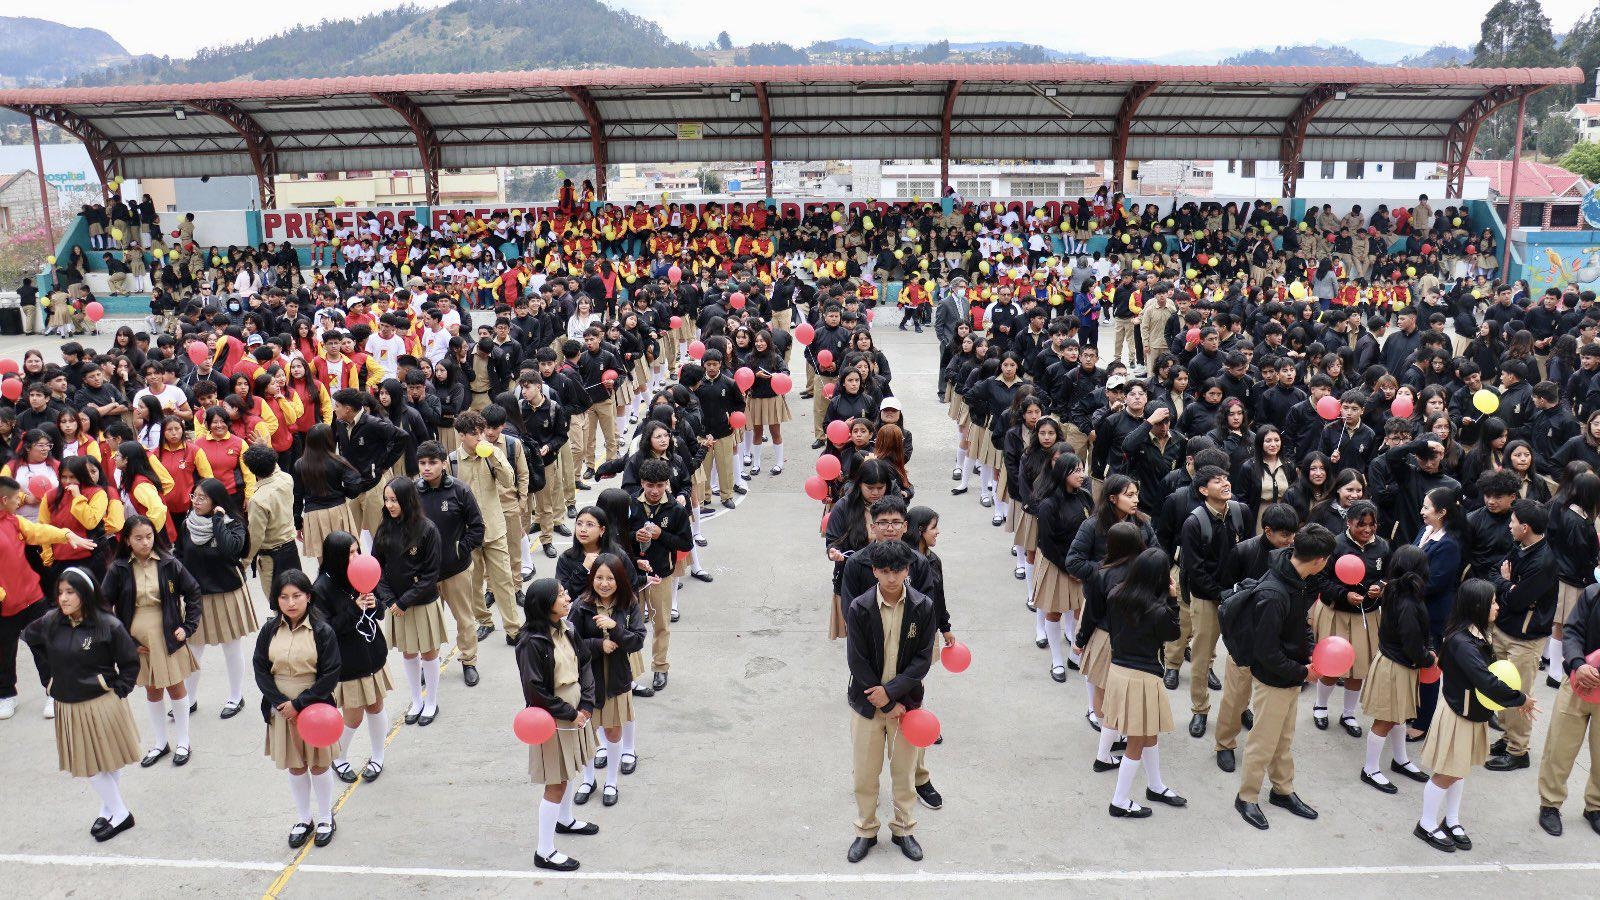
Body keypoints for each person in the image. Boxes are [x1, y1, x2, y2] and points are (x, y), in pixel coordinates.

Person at [1414, 579, 1536, 852]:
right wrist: (1520, 699)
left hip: (1472, 712)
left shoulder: (1479, 633)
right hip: (1459, 714)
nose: (1497, 606)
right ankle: (1426, 823)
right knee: (1447, 772)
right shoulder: (1462, 642)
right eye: (1493, 602)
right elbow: (1486, 681)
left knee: (1460, 769)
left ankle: (1452, 819)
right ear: (1478, 606)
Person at [20, 567, 142, 841]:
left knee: (104, 761)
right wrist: (50, 679)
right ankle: (111, 808)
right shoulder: (50, 621)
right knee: (91, 763)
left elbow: (130, 662)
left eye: (70, 592)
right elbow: (29, 637)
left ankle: (119, 813)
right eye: (60, 592)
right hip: (68, 703)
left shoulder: (107, 625)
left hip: (100, 703)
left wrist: (118, 689)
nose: (63, 598)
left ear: (85, 594)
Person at [1234, 524, 1336, 831]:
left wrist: (1309, 650)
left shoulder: (1297, 579)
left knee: (1283, 739)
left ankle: (1282, 790)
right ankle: (1247, 796)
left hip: (1290, 674)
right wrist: (1305, 672)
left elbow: (1299, 621)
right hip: (1274, 678)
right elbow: (1266, 651)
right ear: (1319, 560)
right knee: (1262, 741)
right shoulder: (1275, 592)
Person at [844, 539, 936, 864]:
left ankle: (903, 829)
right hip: (868, 706)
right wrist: (883, 701)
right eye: (884, 571)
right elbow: (857, 661)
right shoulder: (859, 607)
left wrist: (894, 694)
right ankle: (866, 830)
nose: (892, 578)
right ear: (874, 571)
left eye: (898, 570)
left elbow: (922, 660)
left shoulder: (923, 607)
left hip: (905, 708)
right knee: (865, 775)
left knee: (904, 773)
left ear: (908, 569)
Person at [252, 568, 342, 849]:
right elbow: (260, 667)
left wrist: (299, 704)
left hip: (315, 710)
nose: (291, 603)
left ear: (308, 597)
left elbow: (330, 673)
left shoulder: (322, 630)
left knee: (318, 763)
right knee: (295, 765)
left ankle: (326, 817)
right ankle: (304, 819)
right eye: (284, 597)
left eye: (296, 596)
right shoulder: (269, 629)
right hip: (281, 710)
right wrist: (280, 703)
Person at [103, 516, 202, 768]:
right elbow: (103, 605)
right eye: (138, 538)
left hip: (167, 634)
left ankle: (183, 741)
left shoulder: (169, 563)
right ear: (127, 540)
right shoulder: (119, 568)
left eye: (148, 536)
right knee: (152, 688)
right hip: (137, 640)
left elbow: (193, 592)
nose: (145, 542)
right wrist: (124, 640)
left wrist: (187, 627)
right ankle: (160, 742)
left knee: (176, 686)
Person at [516, 579, 600, 872]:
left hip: (576, 709)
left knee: (569, 768)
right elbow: (535, 690)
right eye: (560, 595)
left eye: (565, 592)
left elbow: (585, 665)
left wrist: (587, 704)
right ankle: (545, 851)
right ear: (544, 605)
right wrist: (569, 712)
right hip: (552, 718)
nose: (567, 598)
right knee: (556, 781)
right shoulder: (531, 642)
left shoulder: (568, 629)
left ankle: (565, 820)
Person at [0, 475, 98, 721]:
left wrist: (65, 535)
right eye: (16, 498)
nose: (20, 501)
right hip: (4, 605)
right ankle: (5, 695)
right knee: (3, 650)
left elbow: (39, 532)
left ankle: (53, 690)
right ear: (4, 500)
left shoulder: (14, 521)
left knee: (45, 644)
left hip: (31, 597)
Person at [1103, 546, 1185, 818]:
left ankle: (1155, 785)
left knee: (1149, 733)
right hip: (1143, 677)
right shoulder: (1159, 609)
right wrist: (1173, 600)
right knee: (1136, 742)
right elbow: (1174, 634)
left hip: (1118, 669)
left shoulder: (1115, 594)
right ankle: (1120, 801)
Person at [1484, 499, 1558, 772]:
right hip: (1505, 629)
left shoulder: (1543, 562)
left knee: (1518, 695)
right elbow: (1495, 572)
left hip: (1524, 639)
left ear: (1525, 527)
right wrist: (1508, 584)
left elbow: (1516, 600)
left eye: (1513, 521)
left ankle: (1518, 750)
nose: (1510, 525)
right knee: (1502, 689)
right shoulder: (1521, 547)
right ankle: (1507, 737)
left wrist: (1506, 584)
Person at [312, 531, 391, 784]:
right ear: (335, 557)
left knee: (376, 706)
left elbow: (379, 612)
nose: (357, 557)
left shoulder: (362, 573)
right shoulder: (321, 588)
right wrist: (353, 609)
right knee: (353, 716)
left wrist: (373, 604)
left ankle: (378, 757)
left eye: (358, 550)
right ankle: (338, 756)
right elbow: (326, 632)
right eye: (351, 553)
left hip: (372, 654)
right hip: (348, 663)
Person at [1177, 465, 1250, 738]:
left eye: (1226, 479)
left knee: (1243, 655)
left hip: (1238, 594)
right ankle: (1199, 709)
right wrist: (1220, 594)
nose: (1225, 483)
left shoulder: (1241, 512)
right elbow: (1194, 570)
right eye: (1216, 481)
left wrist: (1243, 590)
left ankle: (1241, 707)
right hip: (1207, 597)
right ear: (1203, 490)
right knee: (1202, 655)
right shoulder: (1194, 523)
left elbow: (1249, 552)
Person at [568, 553, 645, 807]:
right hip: (588, 681)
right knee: (588, 730)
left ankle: (611, 781)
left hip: (617, 678)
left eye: (610, 578)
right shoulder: (581, 605)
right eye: (599, 577)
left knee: (613, 730)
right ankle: (588, 779)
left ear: (619, 580)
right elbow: (571, 644)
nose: (603, 583)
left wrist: (615, 627)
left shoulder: (629, 603)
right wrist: (599, 644)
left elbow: (637, 640)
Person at [1358, 544, 1434, 793]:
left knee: (1398, 716)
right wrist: (1427, 658)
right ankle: (1370, 769)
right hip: (1396, 666)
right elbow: (1412, 642)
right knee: (1385, 720)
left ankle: (1400, 760)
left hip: (1397, 662)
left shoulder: (1394, 590)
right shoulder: (1408, 602)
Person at [175, 479, 253, 720]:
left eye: (202, 498)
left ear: (216, 502)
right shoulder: (187, 524)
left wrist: (218, 521)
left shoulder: (233, 524)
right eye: (194, 496)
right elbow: (179, 555)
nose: (196, 502)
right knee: (194, 648)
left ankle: (236, 696)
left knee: (231, 647)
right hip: (197, 596)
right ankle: (189, 699)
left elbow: (232, 550)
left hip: (226, 591)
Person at [372, 476, 445, 726]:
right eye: (386, 500)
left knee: (428, 652)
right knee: (408, 652)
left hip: (421, 603)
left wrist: (404, 601)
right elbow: (376, 567)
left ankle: (431, 701)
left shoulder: (427, 529)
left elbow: (431, 574)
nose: (390, 505)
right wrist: (389, 599)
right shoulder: (384, 528)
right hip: (395, 604)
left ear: (407, 500)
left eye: (394, 500)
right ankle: (416, 700)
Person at [1312, 499, 1388, 736]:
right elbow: (1320, 580)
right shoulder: (1334, 545)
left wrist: (1380, 586)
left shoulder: (1383, 547)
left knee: (1359, 669)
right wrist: (1344, 594)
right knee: (1333, 666)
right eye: (1361, 525)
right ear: (1348, 522)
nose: (1367, 530)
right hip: (1338, 613)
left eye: (1372, 525)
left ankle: (1348, 713)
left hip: (1367, 616)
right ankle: (1320, 706)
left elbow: (1389, 575)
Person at [415, 440, 486, 689]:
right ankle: (428, 664)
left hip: (456, 570)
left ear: (444, 464)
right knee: (428, 623)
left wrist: (461, 549)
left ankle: (469, 661)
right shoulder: (414, 493)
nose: (427, 468)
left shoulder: (459, 491)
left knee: (464, 619)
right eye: (422, 463)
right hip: (426, 574)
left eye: (432, 463)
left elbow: (477, 527)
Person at [452, 411, 524, 649]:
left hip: (494, 529)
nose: (481, 437)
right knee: (473, 583)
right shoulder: (453, 462)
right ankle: (484, 620)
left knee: (503, 580)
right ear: (462, 436)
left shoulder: (493, 454)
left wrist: (494, 456)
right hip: (467, 533)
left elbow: (508, 481)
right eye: (474, 434)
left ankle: (513, 628)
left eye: (481, 432)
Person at [1537, 576, 1600, 836]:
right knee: (1559, 747)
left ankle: (1595, 806)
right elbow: (1572, 630)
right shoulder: (1593, 594)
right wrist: (1578, 663)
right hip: (1578, 681)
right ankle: (1549, 804)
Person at [628, 458, 693, 692]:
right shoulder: (631, 504)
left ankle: (660, 667)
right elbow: (618, 536)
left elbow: (686, 542)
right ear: (642, 483)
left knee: (661, 624)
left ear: (667, 483)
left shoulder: (675, 509)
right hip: (633, 576)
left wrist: (660, 536)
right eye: (649, 485)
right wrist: (635, 536)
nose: (655, 491)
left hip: (661, 576)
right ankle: (630, 673)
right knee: (628, 625)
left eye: (660, 485)